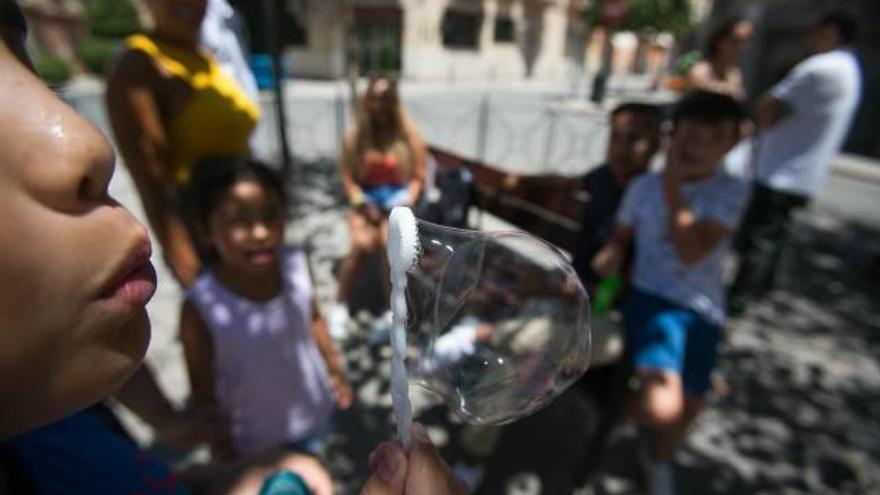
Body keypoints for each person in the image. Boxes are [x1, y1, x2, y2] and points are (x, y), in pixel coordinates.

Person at [0, 3, 465, 493]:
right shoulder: (140, 67)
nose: (86, 146)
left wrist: (182, 433)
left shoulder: (211, 60)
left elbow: (309, 319)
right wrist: (199, 281)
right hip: (214, 251)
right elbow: (157, 187)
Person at [593, 91, 747, 495]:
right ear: (671, 136)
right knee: (662, 407)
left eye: (709, 137)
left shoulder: (729, 192)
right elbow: (623, 235)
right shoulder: (643, 188)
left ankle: (658, 459)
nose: (692, 147)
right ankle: (608, 416)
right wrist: (613, 251)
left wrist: (674, 188)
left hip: (706, 311)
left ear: (731, 142)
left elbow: (692, 250)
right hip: (652, 302)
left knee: (691, 404)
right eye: (686, 134)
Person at [180, 156, 353, 460]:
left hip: (313, 415)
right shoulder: (202, 306)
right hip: (253, 443)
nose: (260, 233)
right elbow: (202, 389)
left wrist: (334, 369)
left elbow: (313, 320)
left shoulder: (297, 265)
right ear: (205, 231)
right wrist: (219, 438)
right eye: (239, 221)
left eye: (271, 216)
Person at [107, 0, 260, 288]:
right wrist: (185, 262)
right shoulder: (140, 66)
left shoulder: (204, 57)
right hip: (206, 235)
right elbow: (152, 184)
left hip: (246, 222)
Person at [728, 8, 862, 315]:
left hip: (779, 172)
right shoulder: (850, 68)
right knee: (775, 237)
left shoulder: (818, 67)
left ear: (830, 31)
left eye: (815, 31)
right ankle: (761, 288)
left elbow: (767, 109)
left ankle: (741, 296)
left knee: (759, 238)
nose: (809, 38)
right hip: (804, 175)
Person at [330, 75, 428, 338]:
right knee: (360, 245)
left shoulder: (409, 137)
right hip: (366, 203)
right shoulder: (356, 136)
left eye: (386, 99)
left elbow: (419, 177)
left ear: (394, 101)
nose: (380, 105)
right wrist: (361, 203)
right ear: (367, 101)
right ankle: (339, 305)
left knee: (389, 246)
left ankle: (392, 311)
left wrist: (408, 199)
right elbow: (348, 178)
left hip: (398, 205)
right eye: (374, 98)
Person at [685, 17, 754, 100]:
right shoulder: (700, 71)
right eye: (736, 42)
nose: (740, 48)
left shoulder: (734, 74)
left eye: (745, 43)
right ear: (720, 41)